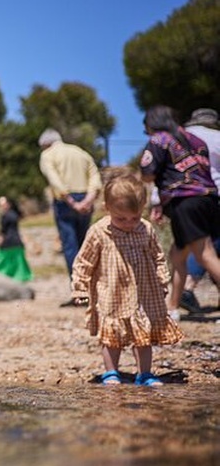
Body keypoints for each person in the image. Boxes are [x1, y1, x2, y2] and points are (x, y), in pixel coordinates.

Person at [70, 174, 183, 386]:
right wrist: (80, 289)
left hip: (144, 292)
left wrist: (162, 279)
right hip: (111, 292)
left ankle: (145, 373)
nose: (129, 223)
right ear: (106, 208)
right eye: (121, 219)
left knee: (143, 335)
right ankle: (111, 372)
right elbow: (83, 262)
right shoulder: (99, 232)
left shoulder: (145, 228)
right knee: (112, 336)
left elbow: (157, 255)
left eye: (135, 217)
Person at [140, 105, 220, 321]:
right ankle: (172, 307)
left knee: (206, 255)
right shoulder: (195, 140)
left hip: (184, 202)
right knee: (178, 254)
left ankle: (172, 307)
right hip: (209, 199)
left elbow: (147, 174)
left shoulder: (159, 140)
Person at [38, 128, 103, 306]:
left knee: (70, 246)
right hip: (86, 199)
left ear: (45, 144)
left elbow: (54, 179)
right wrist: (88, 199)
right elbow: (95, 175)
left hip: (65, 202)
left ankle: (80, 293)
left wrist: (71, 201)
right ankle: (91, 291)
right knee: (85, 246)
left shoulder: (48, 155)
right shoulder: (80, 152)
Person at [179, 108, 220, 313]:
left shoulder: (176, 138)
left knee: (197, 244)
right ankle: (187, 286)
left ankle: (186, 287)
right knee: (209, 246)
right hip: (214, 195)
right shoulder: (217, 138)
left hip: (184, 198)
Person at [0, 196, 33, 282]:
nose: (2, 206)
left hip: (9, 241)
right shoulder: (13, 214)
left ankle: (0, 275)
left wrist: (0, 237)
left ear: (8, 204)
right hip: (16, 240)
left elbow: (3, 230)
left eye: (4, 204)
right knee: (18, 260)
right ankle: (19, 276)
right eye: (1, 204)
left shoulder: (6, 216)